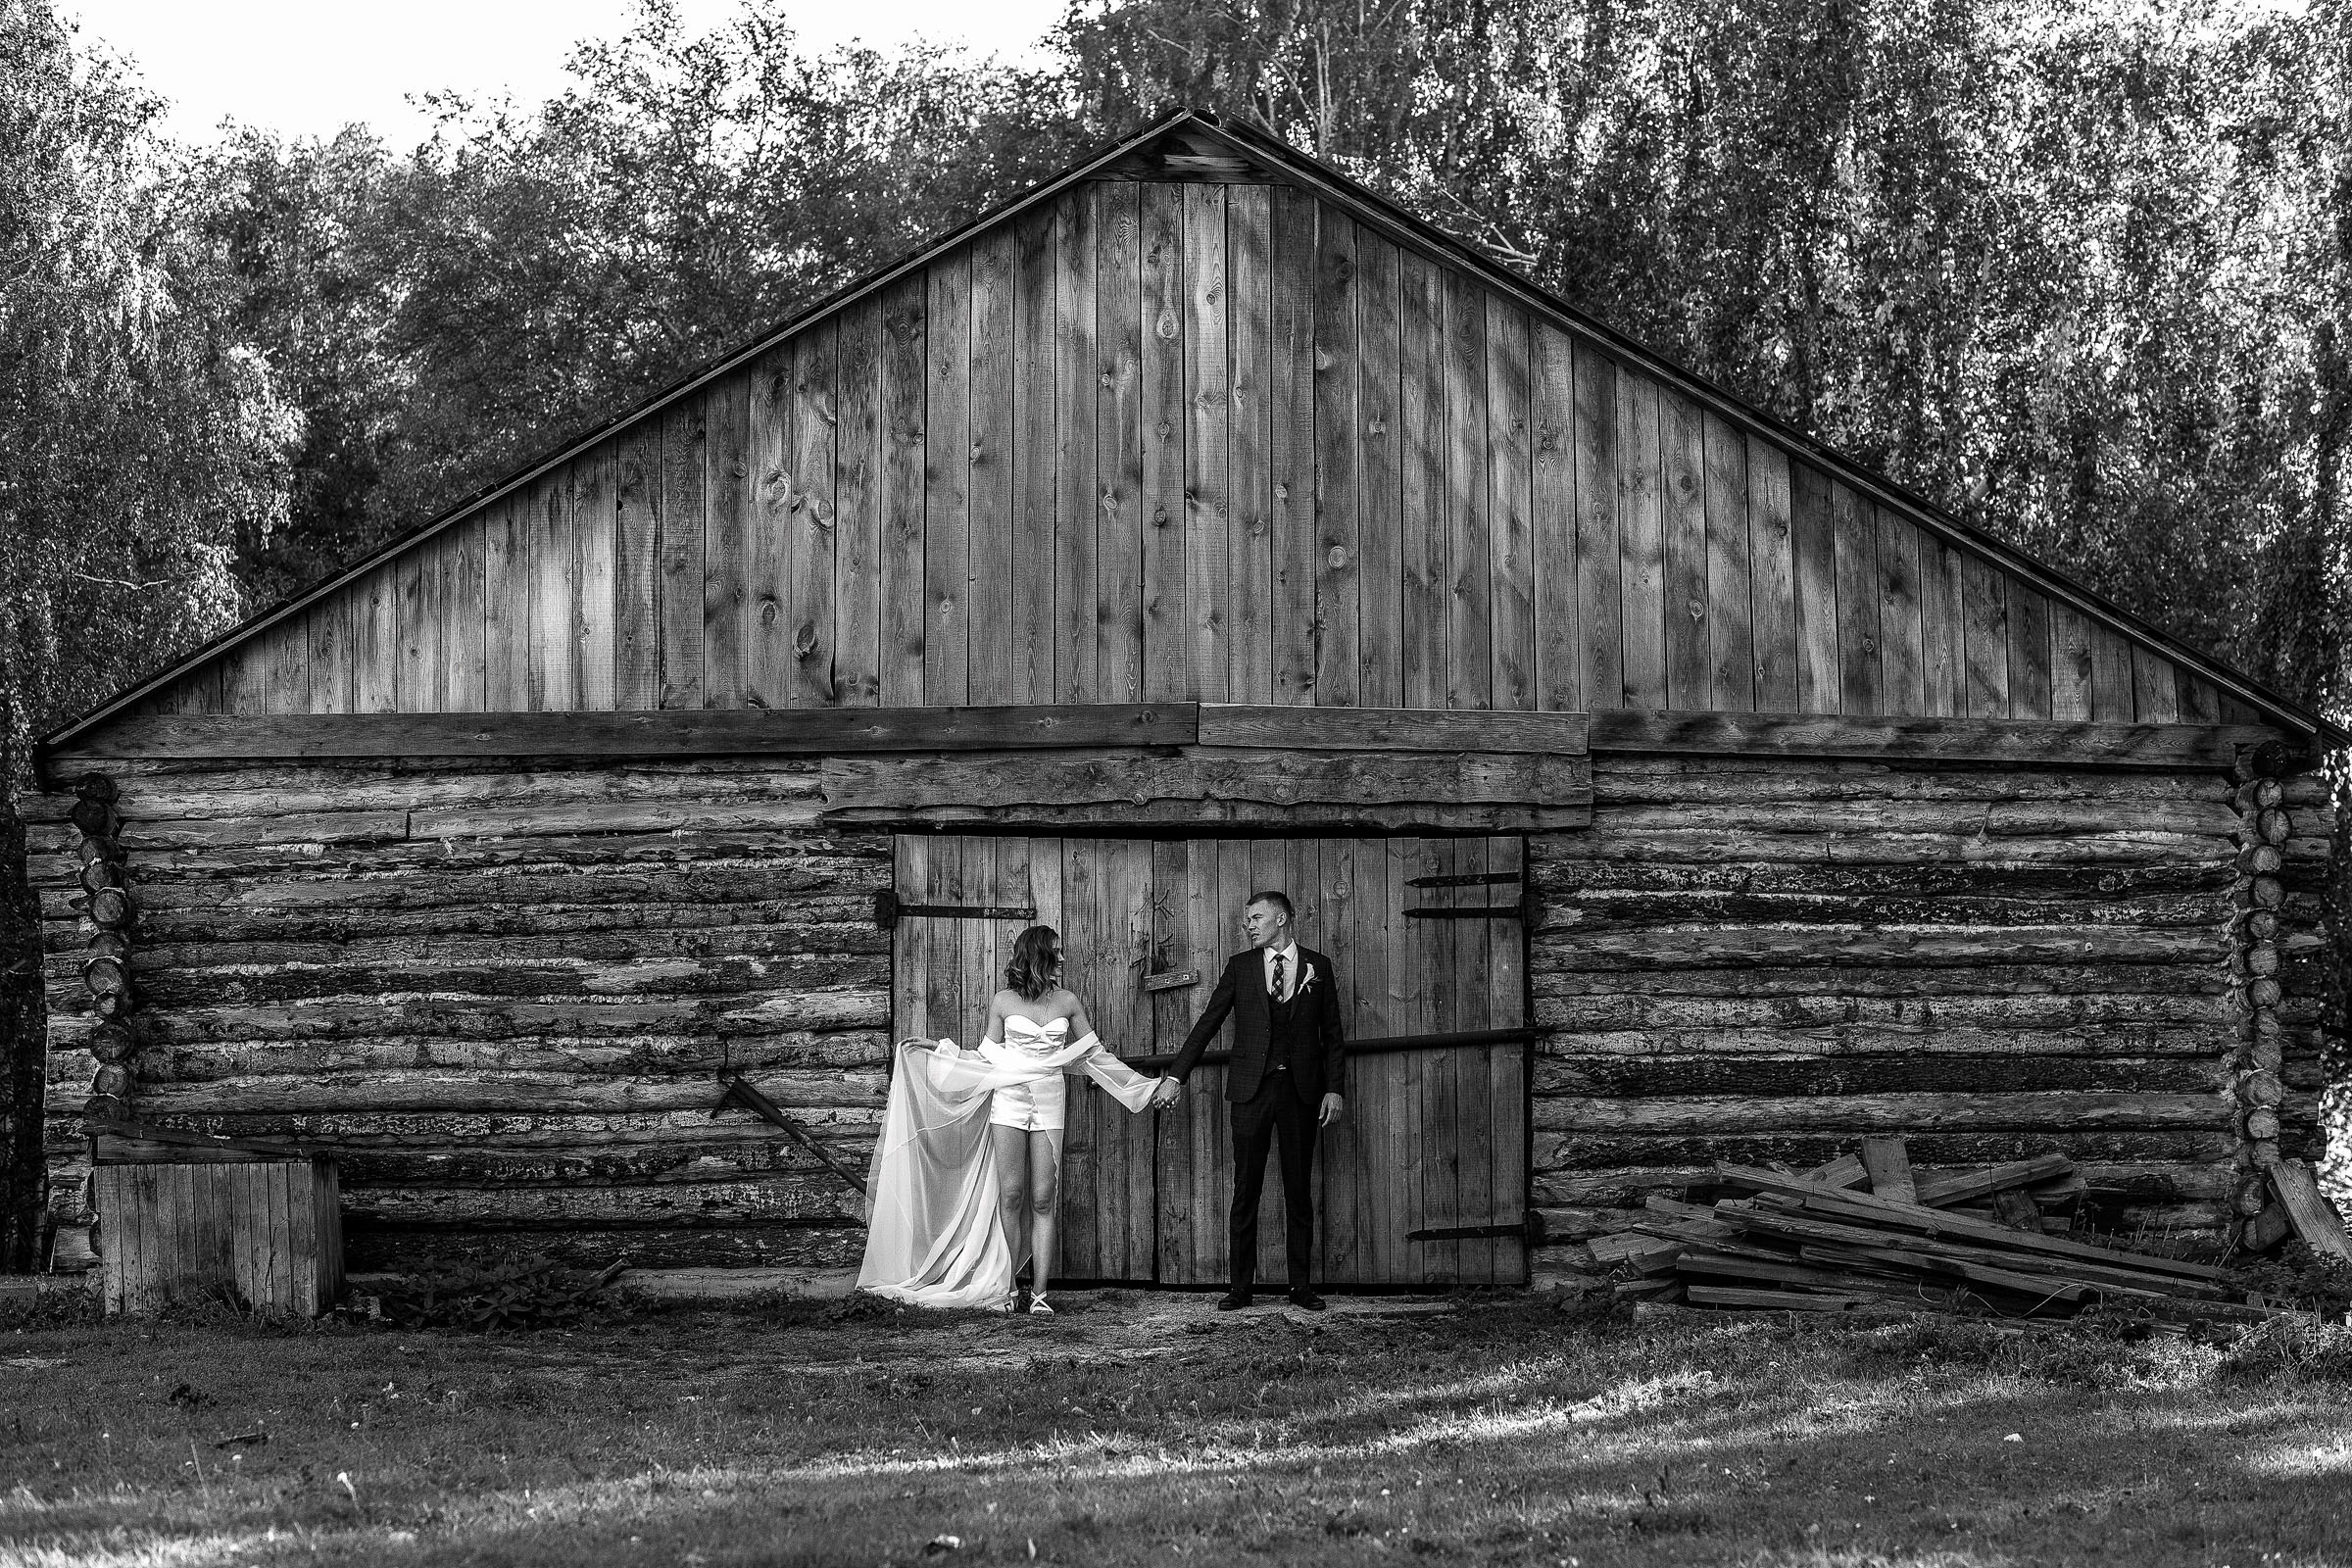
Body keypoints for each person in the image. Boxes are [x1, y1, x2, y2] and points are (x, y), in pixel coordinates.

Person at [858, 925, 1163, 1313]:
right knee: (1012, 1194)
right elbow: (986, 1055)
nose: (1064, 958)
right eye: (1057, 950)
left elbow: (1093, 1055)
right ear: (1038, 955)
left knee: (1042, 1198)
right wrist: (938, 1049)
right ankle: (1006, 1288)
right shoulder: (1003, 1001)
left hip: (1050, 1102)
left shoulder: (1069, 1001)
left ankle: (1039, 1293)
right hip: (1009, 1102)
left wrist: (1147, 1087)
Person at [1151, 890, 1346, 1311]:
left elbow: (1333, 1035)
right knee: (1246, 1190)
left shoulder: (1319, 967)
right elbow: (1208, 1022)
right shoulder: (1240, 967)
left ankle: (1301, 1287)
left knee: (1298, 1189)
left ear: (1282, 918)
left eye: (1256, 917)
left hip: (1301, 1092)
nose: (1249, 925)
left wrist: (1334, 1087)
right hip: (1250, 1092)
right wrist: (1176, 1076)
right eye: (1247, 920)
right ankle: (1241, 1287)